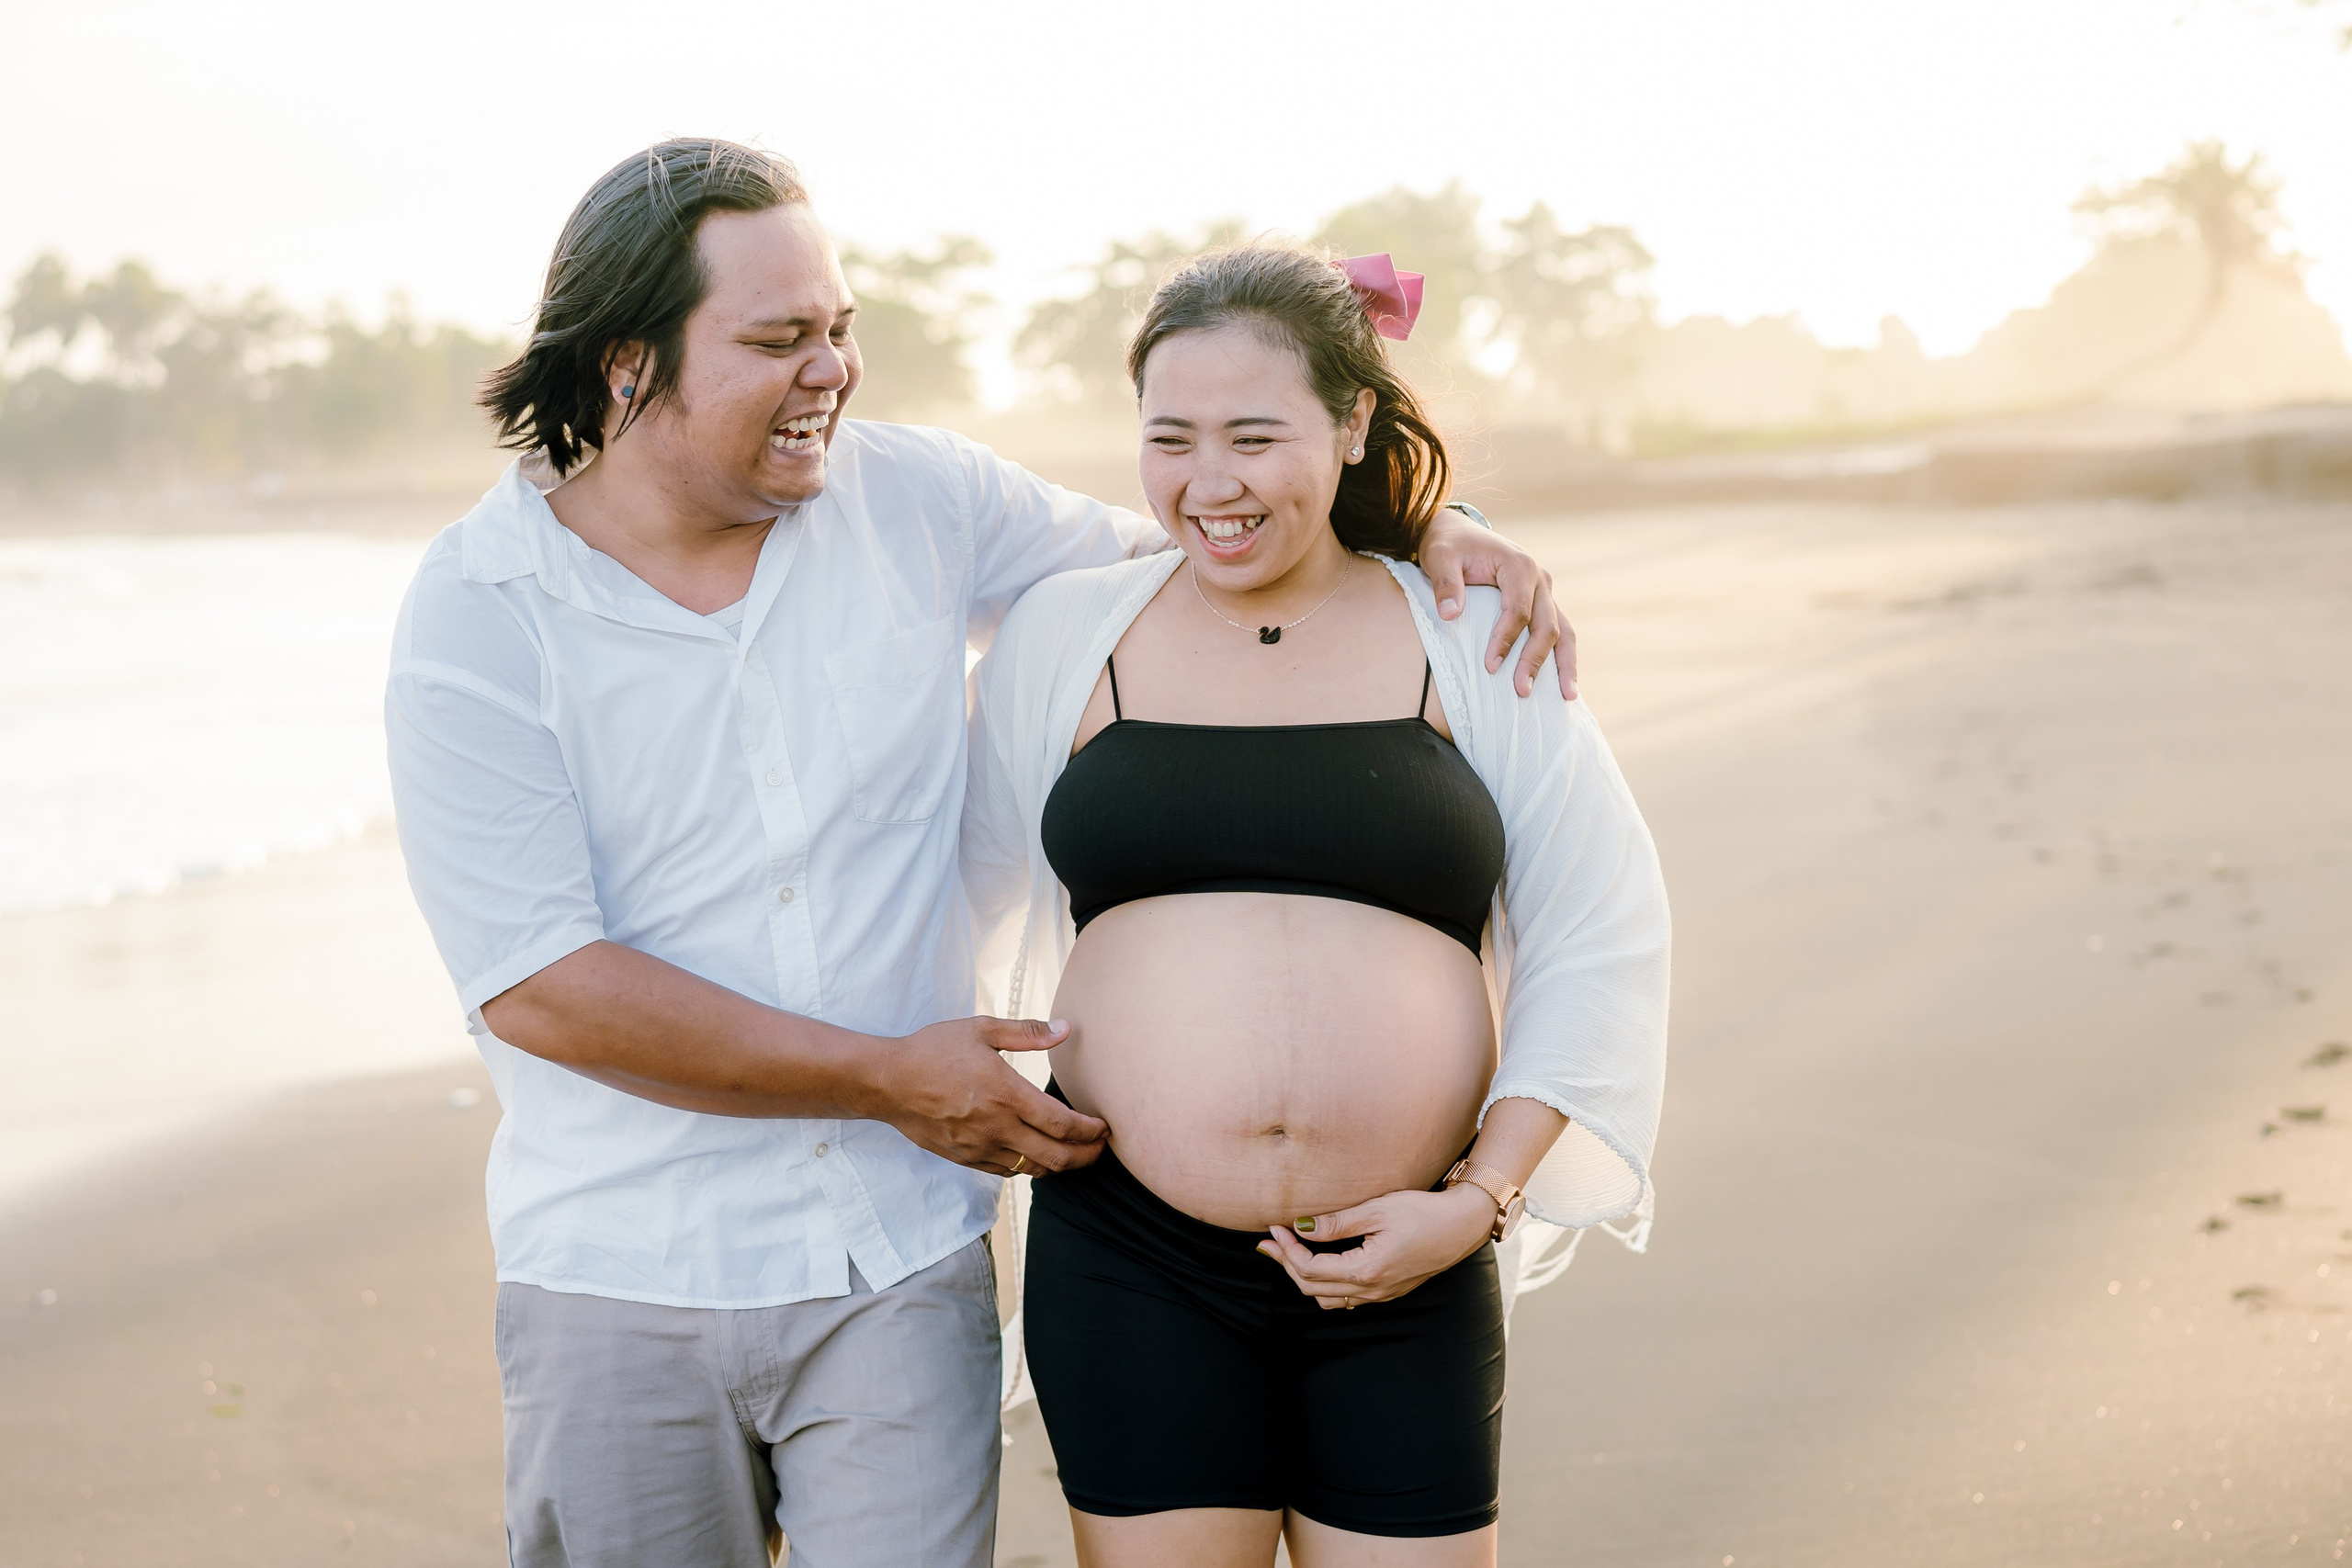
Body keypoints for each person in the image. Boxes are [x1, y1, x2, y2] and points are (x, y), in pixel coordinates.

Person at [385, 141, 1576, 1568]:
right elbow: (541, 985)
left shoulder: (923, 501)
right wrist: (887, 1077)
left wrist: (1430, 514)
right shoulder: (481, 606)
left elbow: (1205, 536)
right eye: (778, 340)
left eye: (841, 328)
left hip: (901, 1265)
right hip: (627, 1276)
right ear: (629, 362)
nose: (832, 368)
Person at [963, 243, 1670, 1568]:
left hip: (1411, 1254)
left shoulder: (1468, 631)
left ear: (1351, 424)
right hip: (1129, 1259)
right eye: (1169, 438)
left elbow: (1598, 931)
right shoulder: (1069, 638)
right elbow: (947, 897)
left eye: (1253, 435)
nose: (1207, 481)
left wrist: (1482, 1199)